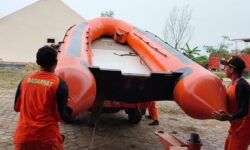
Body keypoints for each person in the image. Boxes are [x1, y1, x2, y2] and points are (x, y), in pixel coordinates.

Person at [13, 45, 73, 150]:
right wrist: (70, 112)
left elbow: (16, 107)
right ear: (56, 62)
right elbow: (62, 116)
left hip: (23, 138)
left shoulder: (25, 80)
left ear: (37, 62)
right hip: (47, 140)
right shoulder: (59, 84)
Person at [212, 56, 250, 150]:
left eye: (226, 66)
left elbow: (244, 110)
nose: (224, 68)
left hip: (243, 128)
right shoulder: (232, 84)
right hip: (235, 126)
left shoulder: (241, 85)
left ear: (232, 69)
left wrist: (230, 117)